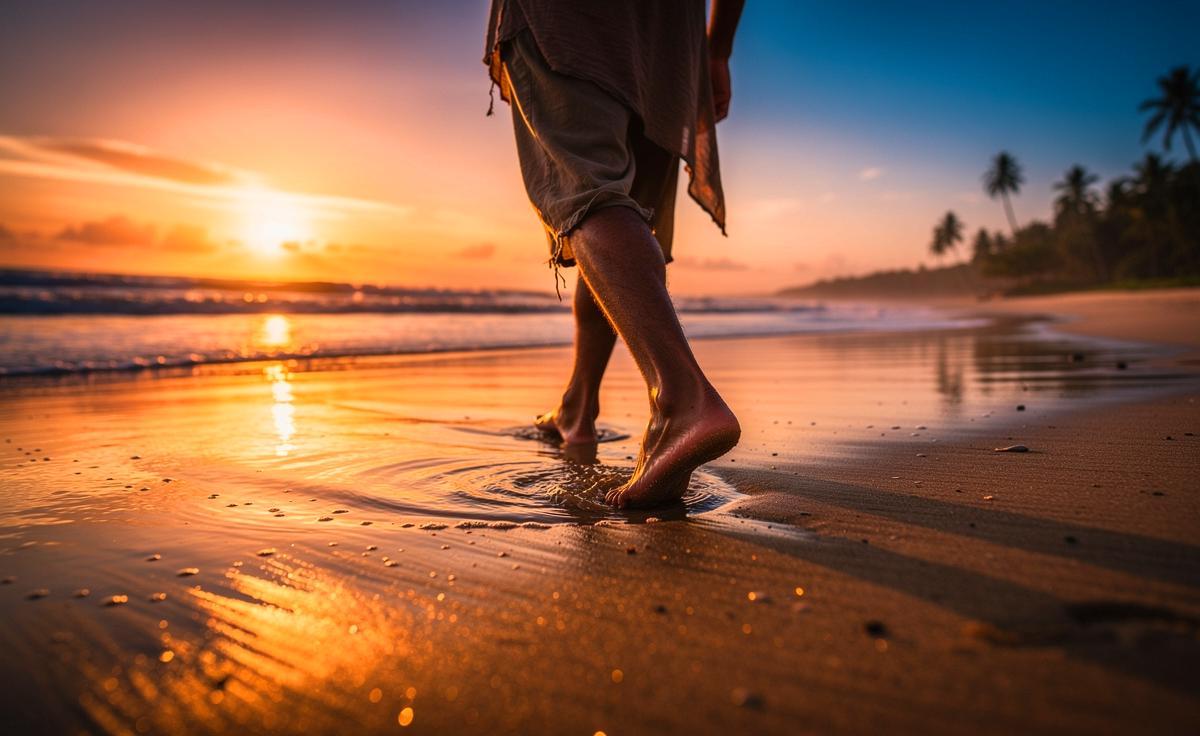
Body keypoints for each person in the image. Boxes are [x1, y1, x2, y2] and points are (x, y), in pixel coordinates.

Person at [484, 1, 745, 508]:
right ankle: (577, 409)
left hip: (573, 20)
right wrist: (717, 51)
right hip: (670, 39)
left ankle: (681, 403)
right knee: (624, 213)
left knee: (586, 193)